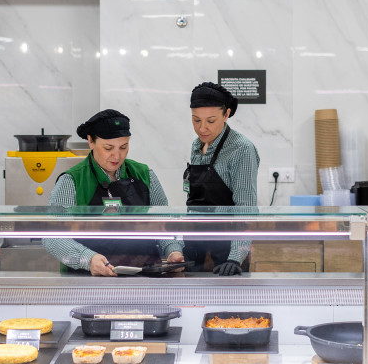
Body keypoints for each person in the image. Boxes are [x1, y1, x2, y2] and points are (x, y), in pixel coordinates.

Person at [43, 109, 182, 276]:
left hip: (145, 277)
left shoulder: (145, 175)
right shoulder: (71, 181)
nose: (117, 155)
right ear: (91, 142)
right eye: (108, 148)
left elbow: (164, 222)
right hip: (89, 280)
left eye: (124, 147)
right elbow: (51, 237)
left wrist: (172, 251)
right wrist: (88, 259)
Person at [183, 82, 260, 276]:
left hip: (227, 251)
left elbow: (246, 206)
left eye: (210, 121)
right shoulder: (196, 145)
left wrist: (236, 256)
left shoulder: (241, 149)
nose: (202, 128)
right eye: (196, 120)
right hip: (195, 245)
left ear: (226, 114)